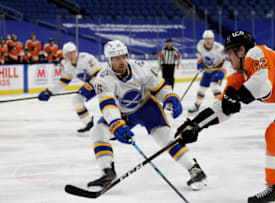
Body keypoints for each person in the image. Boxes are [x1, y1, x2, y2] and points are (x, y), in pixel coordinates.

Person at [176, 30, 275, 202]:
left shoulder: (256, 53)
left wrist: (236, 97)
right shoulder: (238, 77)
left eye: (230, 53)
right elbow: (222, 107)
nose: (228, 58)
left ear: (241, 51)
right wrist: (196, 125)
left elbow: (262, 84)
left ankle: (274, 189)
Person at [87, 40, 207, 191]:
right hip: (122, 113)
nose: (122, 61)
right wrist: (116, 122)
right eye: (116, 58)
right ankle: (107, 172)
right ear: (108, 60)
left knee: (164, 137)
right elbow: (108, 105)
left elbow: (159, 87)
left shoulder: (140, 67)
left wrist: (169, 96)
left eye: (123, 56)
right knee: (97, 131)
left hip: (146, 108)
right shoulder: (103, 78)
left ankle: (194, 169)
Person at [38, 42, 102, 133]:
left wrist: (89, 85)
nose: (71, 56)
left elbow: (100, 74)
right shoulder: (68, 66)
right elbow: (63, 83)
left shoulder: (86, 59)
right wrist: (50, 92)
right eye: (68, 54)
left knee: (107, 103)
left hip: (104, 83)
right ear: (65, 56)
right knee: (76, 101)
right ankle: (88, 122)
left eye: (73, 52)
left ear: (76, 52)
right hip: (92, 86)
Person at [188, 30, 226, 113]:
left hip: (218, 69)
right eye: (206, 39)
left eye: (210, 39)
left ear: (213, 39)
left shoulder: (219, 48)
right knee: (202, 88)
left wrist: (223, 70)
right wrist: (199, 64)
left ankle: (221, 105)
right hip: (208, 70)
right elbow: (200, 57)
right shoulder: (200, 45)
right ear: (203, 39)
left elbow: (226, 59)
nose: (208, 41)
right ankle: (197, 105)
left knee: (214, 85)